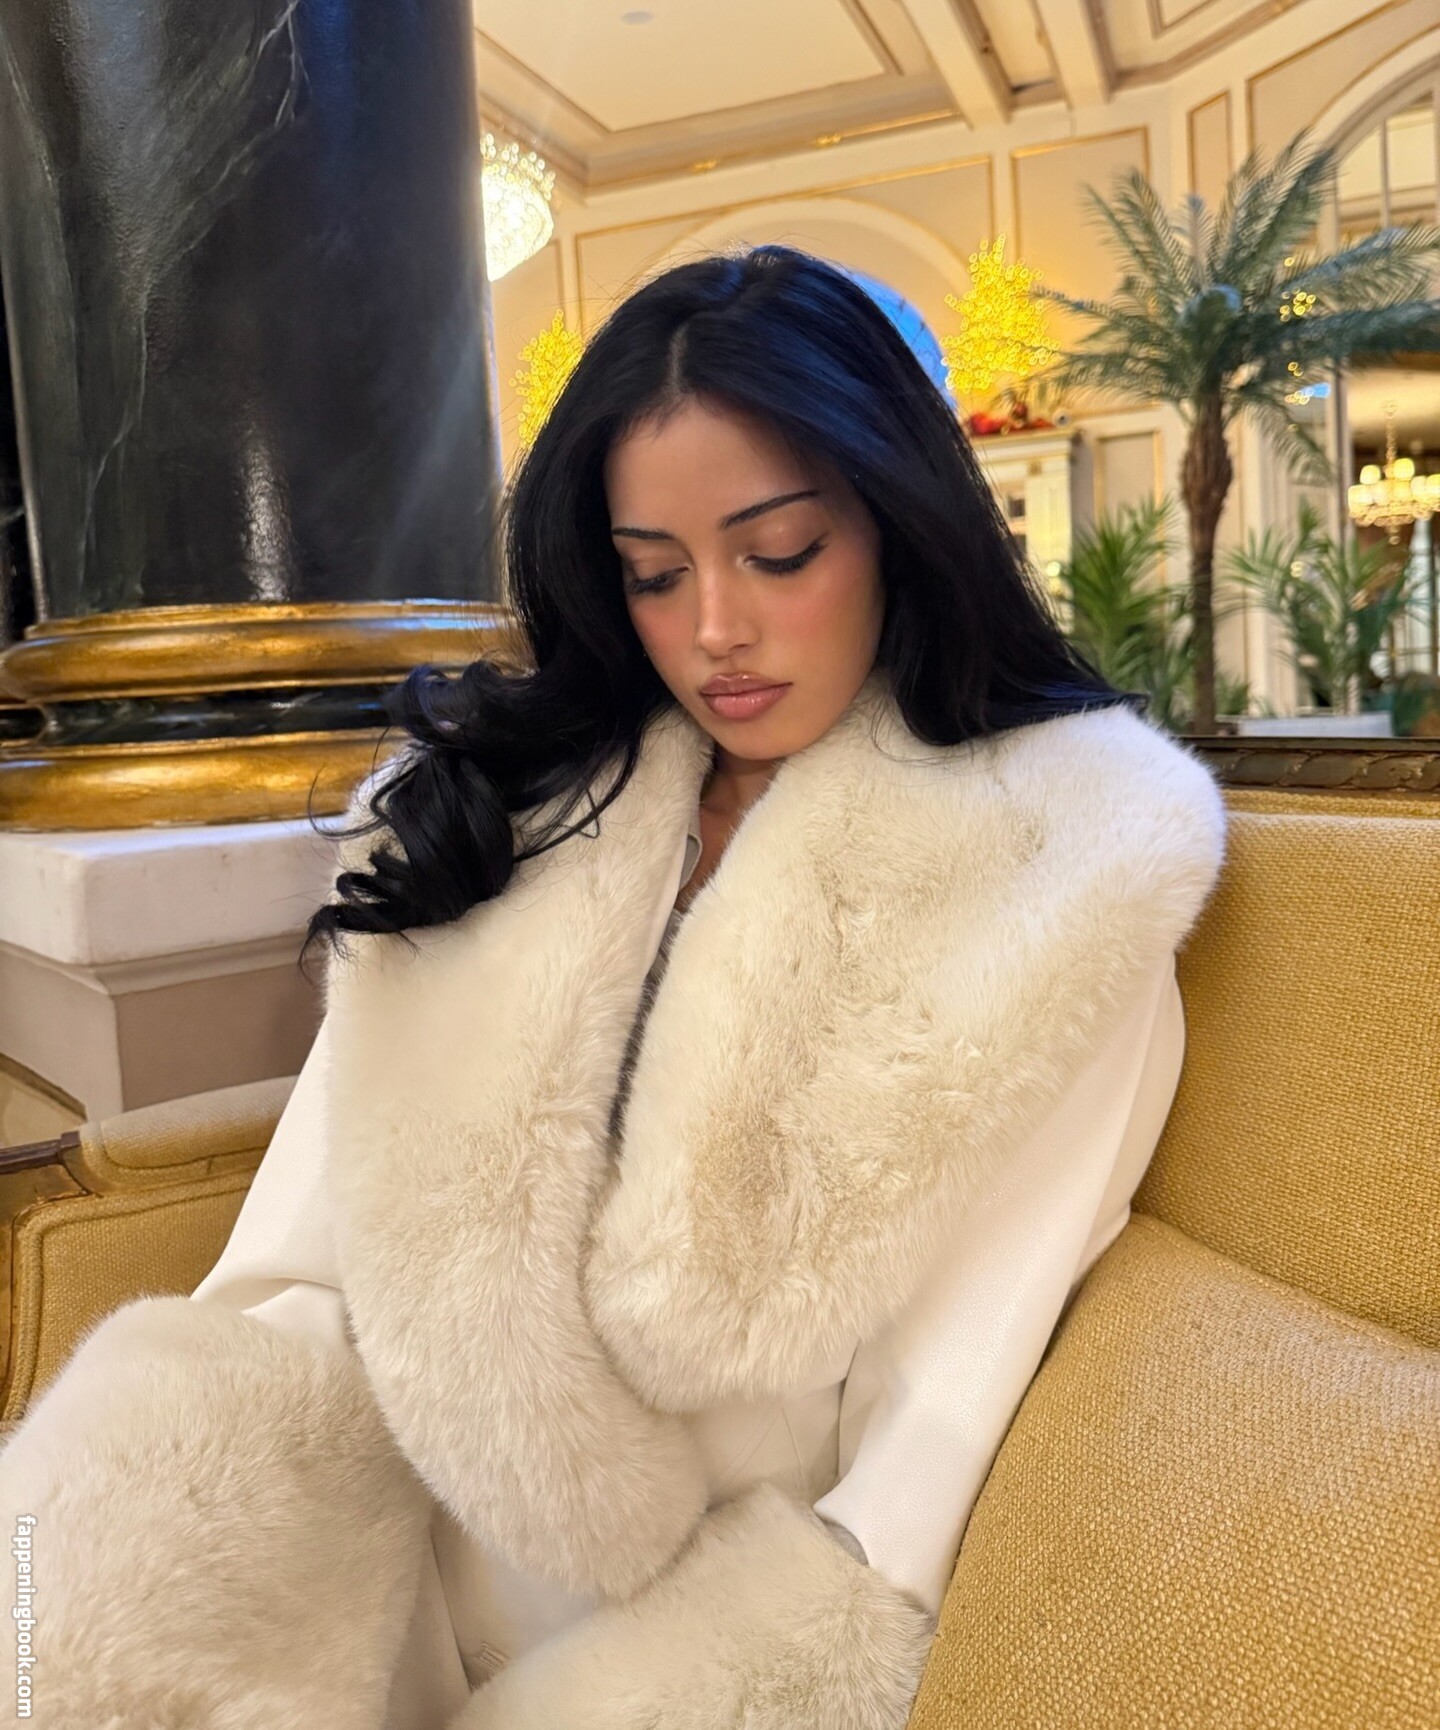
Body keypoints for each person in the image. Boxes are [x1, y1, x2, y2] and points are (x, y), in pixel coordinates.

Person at [0, 245, 1227, 1730]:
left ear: (901, 524)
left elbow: (919, 1482)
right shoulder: (513, 809)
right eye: (654, 572)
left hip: (699, 1638)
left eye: (780, 553)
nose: (713, 629)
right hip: (380, 1569)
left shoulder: (1065, 877)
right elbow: (302, 1285)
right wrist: (98, 1597)